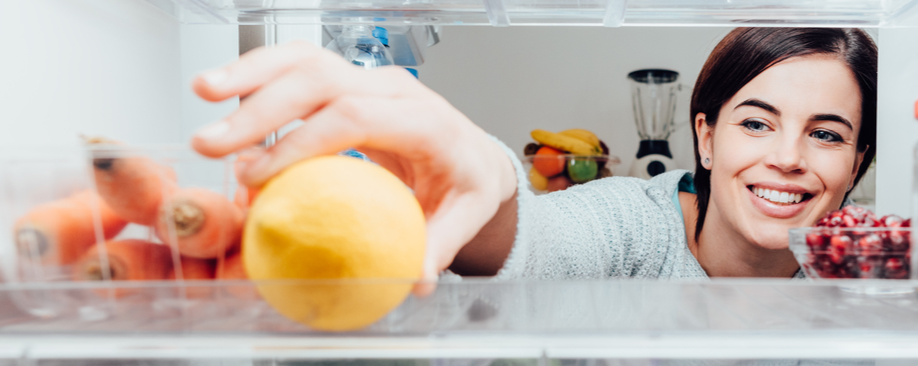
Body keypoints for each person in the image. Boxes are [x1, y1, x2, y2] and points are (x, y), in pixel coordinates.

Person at [189, 27, 877, 293]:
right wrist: (488, 181)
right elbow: (539, 242)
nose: (787, 158)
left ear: (858, 162)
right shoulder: (633, 226)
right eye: (756, 123)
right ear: (705, 135)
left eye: (826, 134)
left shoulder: (873, 263)